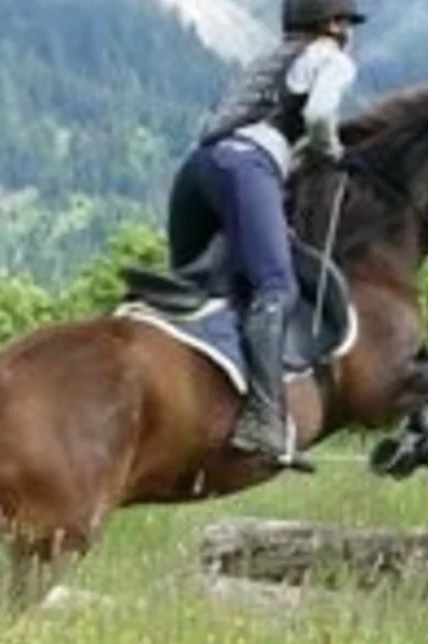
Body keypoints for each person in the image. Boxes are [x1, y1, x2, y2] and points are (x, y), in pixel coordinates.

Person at [163, 0, 366, 473]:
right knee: (276, 286)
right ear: (334, 24)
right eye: (346, 23)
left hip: (197, 171)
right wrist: (331, 153)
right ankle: (264, 419)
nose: (349, 33)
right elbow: (318, 116)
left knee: (196, 286)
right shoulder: (331, 57)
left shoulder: (268, 62)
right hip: (246, 168)